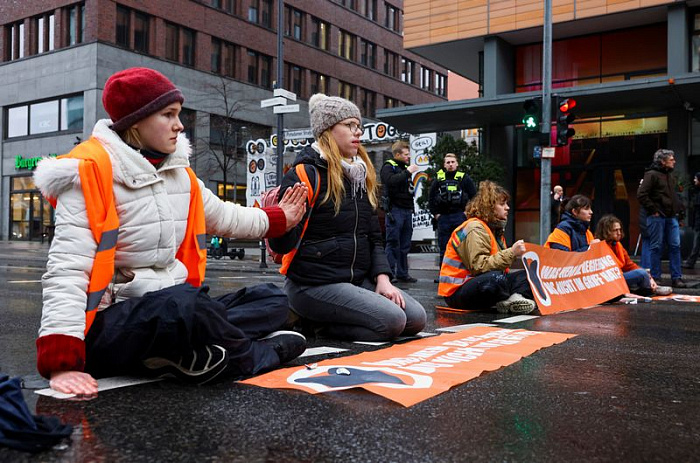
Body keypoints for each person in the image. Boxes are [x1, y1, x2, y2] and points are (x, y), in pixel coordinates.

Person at [33, 67, 309, 397]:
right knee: (188, 306)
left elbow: (227, 216)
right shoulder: (90, 173)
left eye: (178, 114)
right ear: (136, 121)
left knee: (273, 298)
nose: (180, 125)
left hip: (174, 311)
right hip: (111, 327)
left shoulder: (180, 174)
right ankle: (254, 356)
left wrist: (280, 218)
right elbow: (67, 270)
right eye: (169, 115)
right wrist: (62, 361)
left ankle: (183, 354)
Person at [268, 94, 426, 341]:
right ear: (328, 130)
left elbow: (373, 236)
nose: (358, 132)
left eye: (358, 126)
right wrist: (283, 222)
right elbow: (281, 245)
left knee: (416, 318)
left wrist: (383, 280)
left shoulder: (359, 175)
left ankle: (330, 318)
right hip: (312, 285)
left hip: (354, 280)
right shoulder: (305, 173)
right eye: (350, 125)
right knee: (393, 321)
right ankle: (311, 324)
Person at [438, 181, 536, 314]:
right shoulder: (474, 228)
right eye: (502, 204)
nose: (507, 208)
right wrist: (511, 252)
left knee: (530, 275)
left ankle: (511, 299)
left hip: (478, 283)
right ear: (489, 208)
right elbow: (479, 266)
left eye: (506, 204)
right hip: (457, 292)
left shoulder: (494, 229)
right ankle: (510, 297)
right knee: (496, 279)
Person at [637, 149, 685, 287]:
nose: (674, 161)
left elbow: (671, 196)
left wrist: (679, 210)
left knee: (675, 246)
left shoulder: (669, 175)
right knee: (656, 247)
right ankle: (656, 277)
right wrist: (654, 210)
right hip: (657, 217)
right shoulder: (651, 175)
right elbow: (642, 195)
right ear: (662, 161)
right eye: (671, 159)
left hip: (670, 217)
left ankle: (677, 277)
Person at [595, 215, 671, 296]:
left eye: (620, 230)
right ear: (606, 232)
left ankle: (651, 287)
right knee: (641, 273)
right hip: (609, 280)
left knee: (643, 272)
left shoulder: (617, 245)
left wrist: (650, 278)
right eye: (615, 230)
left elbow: (630, 265)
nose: (619, 233)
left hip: (618, 277)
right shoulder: (599, 246)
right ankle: (652, 290)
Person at [381, 140, 420, 283]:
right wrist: (408, 172)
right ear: (397, 154)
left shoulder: (404, 168)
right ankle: (389, 273)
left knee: (405, 245)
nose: (408, 157)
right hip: (394, 210)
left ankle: (403, 273)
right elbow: (390, 181)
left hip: (406, 210)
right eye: (406, 154)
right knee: (392, 243)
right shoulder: (388, 166)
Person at [428, 153, 477, 264]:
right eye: (448, 162)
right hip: (443, 218)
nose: (450, 164)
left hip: (459, 217)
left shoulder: (464, 178)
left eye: (452, 162)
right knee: (444, 248)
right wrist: (436, 214)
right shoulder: (439, 179)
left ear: (457, 163)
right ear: (444, 165)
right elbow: (430, 197)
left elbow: (474, 196)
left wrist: (467, 213)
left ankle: (462, 275)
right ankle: (443, 276)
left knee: (461, 247)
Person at [683, 172, 700, 269]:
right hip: (697, 223)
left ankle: (690, 262)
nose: (694, 180)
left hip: (698, 223)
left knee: (696, 244)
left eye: (696, 178)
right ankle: (690, 262)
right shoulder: (696, 192)